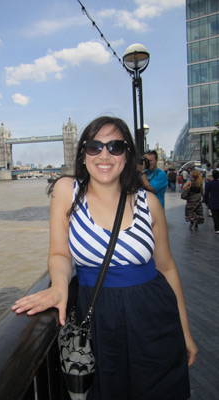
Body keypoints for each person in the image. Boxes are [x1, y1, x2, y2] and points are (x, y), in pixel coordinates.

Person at [12, 116, 197, 400]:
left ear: (127, 156)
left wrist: (185, 332)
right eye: (95, 146)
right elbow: (60, 252)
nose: (105, 155)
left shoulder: (149, 203)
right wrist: (59, 286)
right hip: (98, 321)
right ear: (83, 153)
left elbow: (168, 268)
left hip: (155, 318)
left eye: (115, 147)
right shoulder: (67, 191)